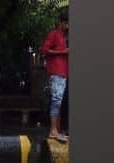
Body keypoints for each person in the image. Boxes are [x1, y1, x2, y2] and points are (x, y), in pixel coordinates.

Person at [41, 9, 69, 142]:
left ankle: (56, 130)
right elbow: (44, 50)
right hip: (56, 72)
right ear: (60, 22)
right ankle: (53, 130)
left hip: (62, 72)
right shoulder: (54, 34)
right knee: (56, 101)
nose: (68, 26)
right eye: (66, 23)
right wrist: (62, 52)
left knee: (58, 102)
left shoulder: (63, 36)